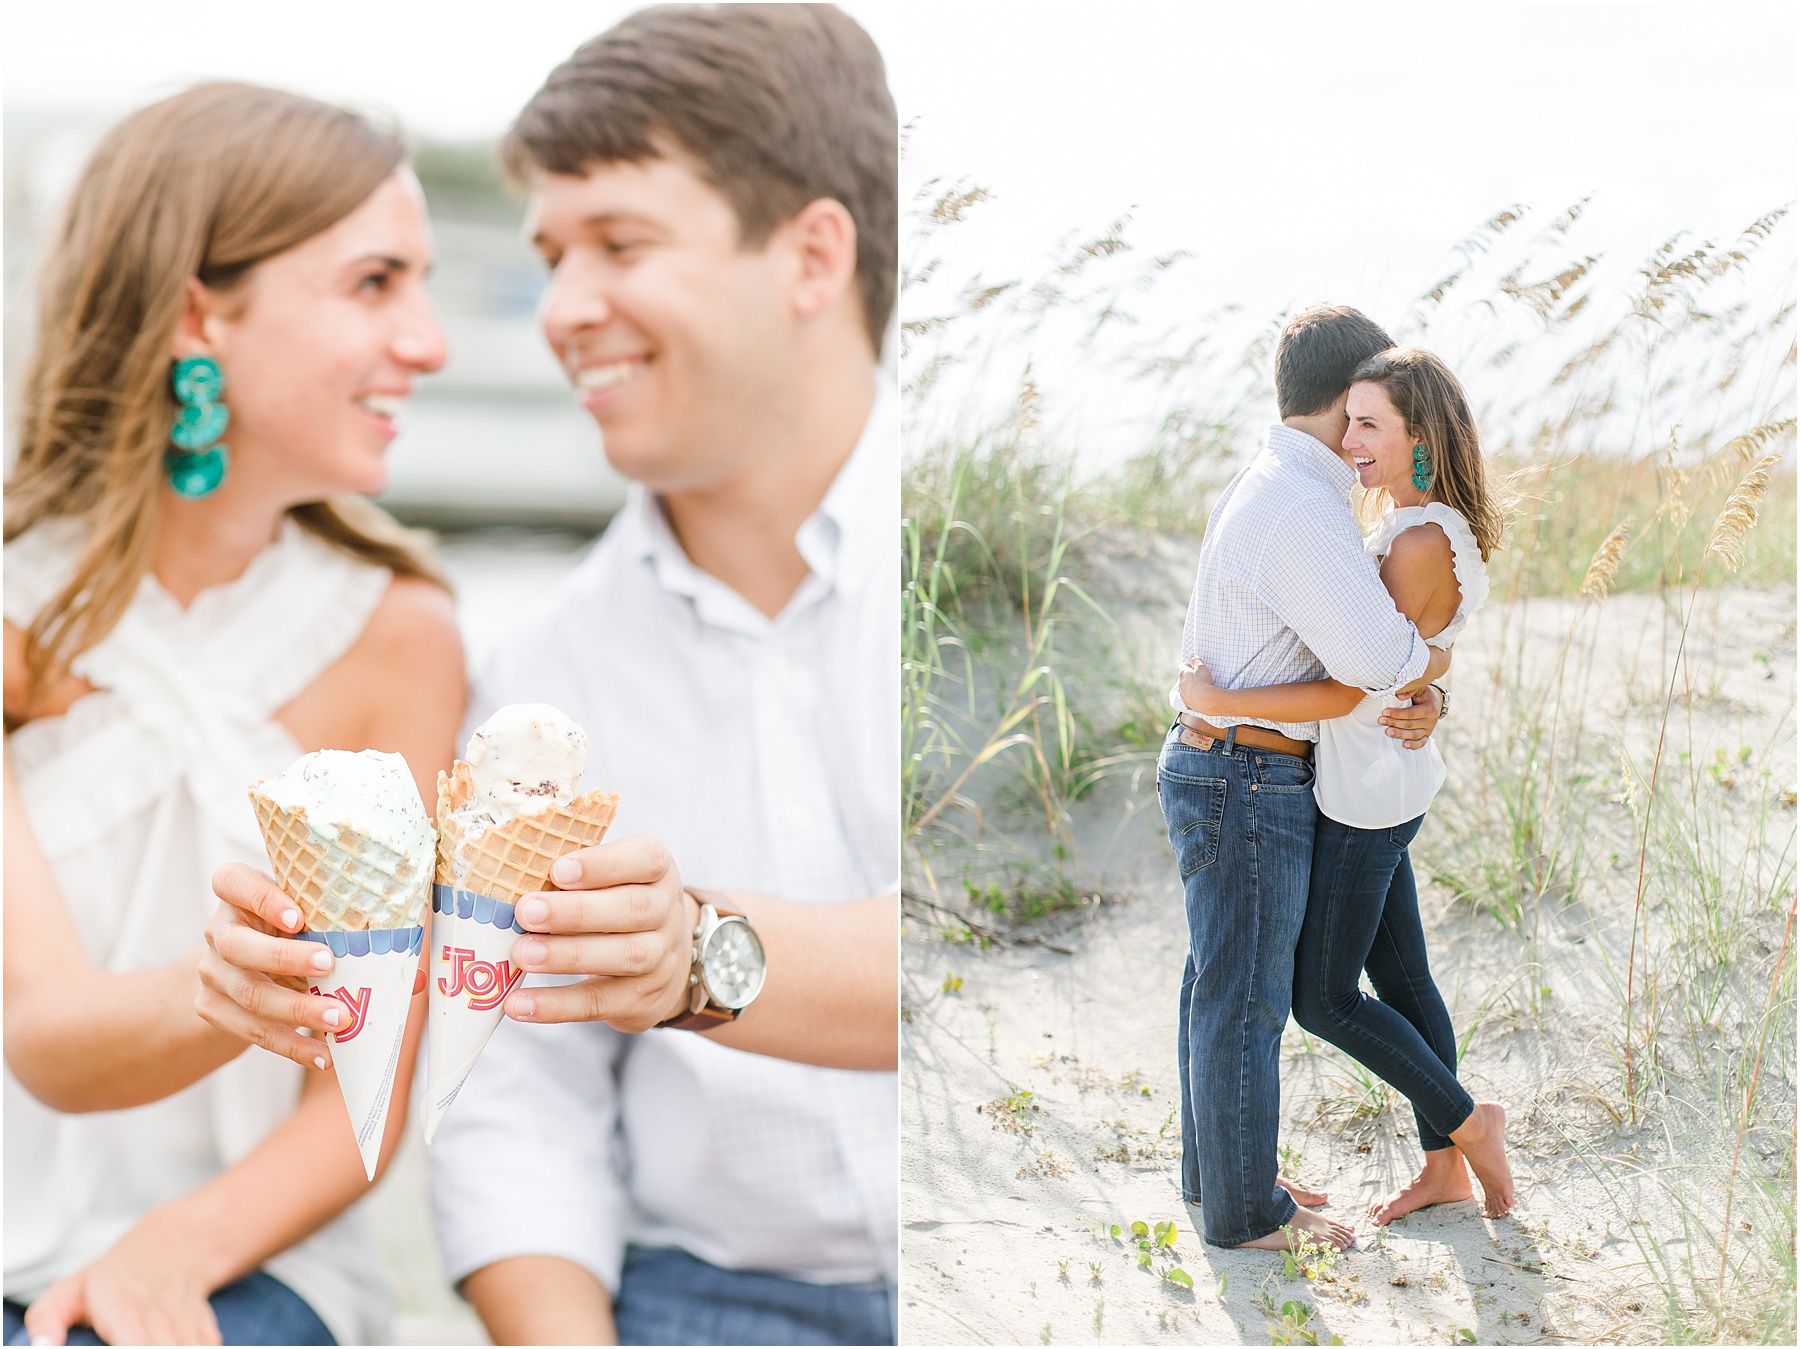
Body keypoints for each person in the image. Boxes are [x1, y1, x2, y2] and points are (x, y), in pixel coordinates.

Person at [199, 5, 900, 1344]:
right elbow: (518, 1108)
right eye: (550, 257)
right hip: (705, 1300)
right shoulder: (535, 670)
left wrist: (693, 951)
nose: (565, 310)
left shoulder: (1004, 569)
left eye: (621, 245)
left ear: (812, 255)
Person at [2, 84, 461, 1346]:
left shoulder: (401, 637)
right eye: (375, 283)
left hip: (257, 1261)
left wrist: (171, 1255)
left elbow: (365, 1090)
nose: (429, 342)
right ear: (201, 308)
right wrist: (220, 992)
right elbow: (41, 1034)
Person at [1176, 346, 1515, 1224]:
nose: (1352, 439)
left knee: (1322, 996)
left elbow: (1368, 675)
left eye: (1371, 423)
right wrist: (1429, 681)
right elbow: (1403, 664)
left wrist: (1220, 698)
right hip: (1374, 780)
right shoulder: (1411, 523)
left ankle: (1467, 1123)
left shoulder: (1412, 535)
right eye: (1350, 417)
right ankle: (1446, 1162)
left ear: (1422, 438)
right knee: (1402, 980)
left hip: (1363, 790)